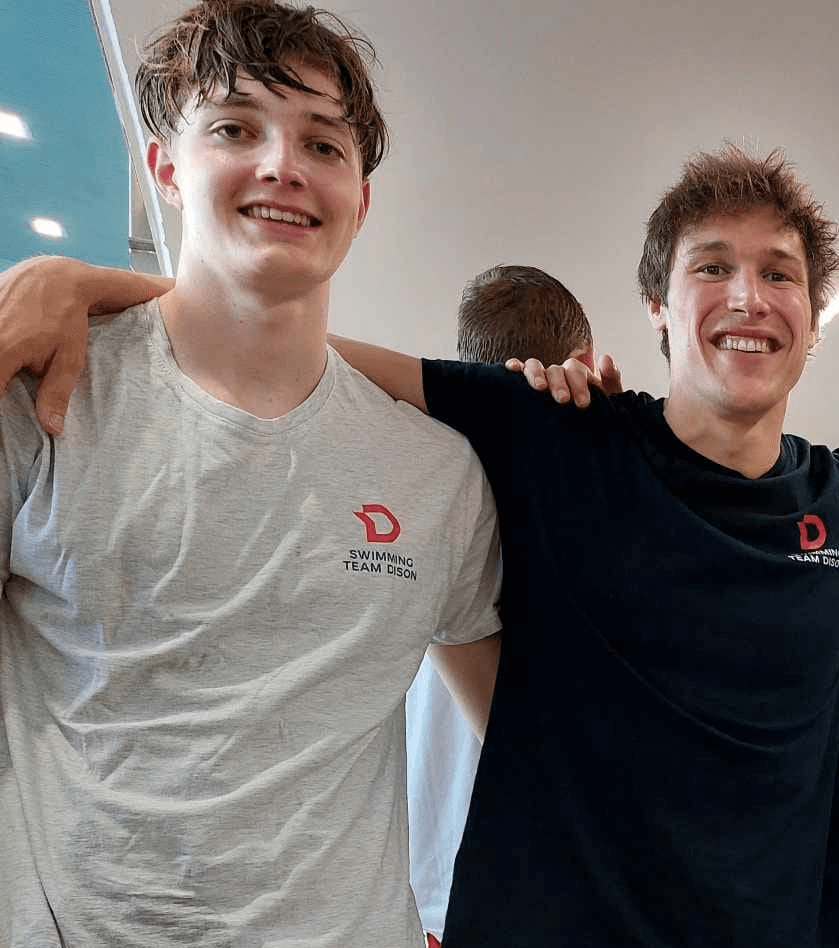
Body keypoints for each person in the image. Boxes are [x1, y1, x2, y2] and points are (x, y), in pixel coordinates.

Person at [0, 144, 839, 946]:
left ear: (813, 325)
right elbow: (289, 346)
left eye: (778, 274)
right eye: (710, 269)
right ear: (660, 309)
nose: (747, 295)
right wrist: (85, 282)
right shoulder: (551, 434)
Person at [0, 2, 502, 944]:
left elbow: (521, 733)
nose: (283, 165)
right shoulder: (40, 393)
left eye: (323, 143)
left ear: (360, 196)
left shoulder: (435, 474)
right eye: (235, 128)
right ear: (165, 166)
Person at [407, 262, 599, 943]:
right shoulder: (605, 496)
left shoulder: (415, 485)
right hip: (549, 884)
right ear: (585, 362)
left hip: (429, 881)